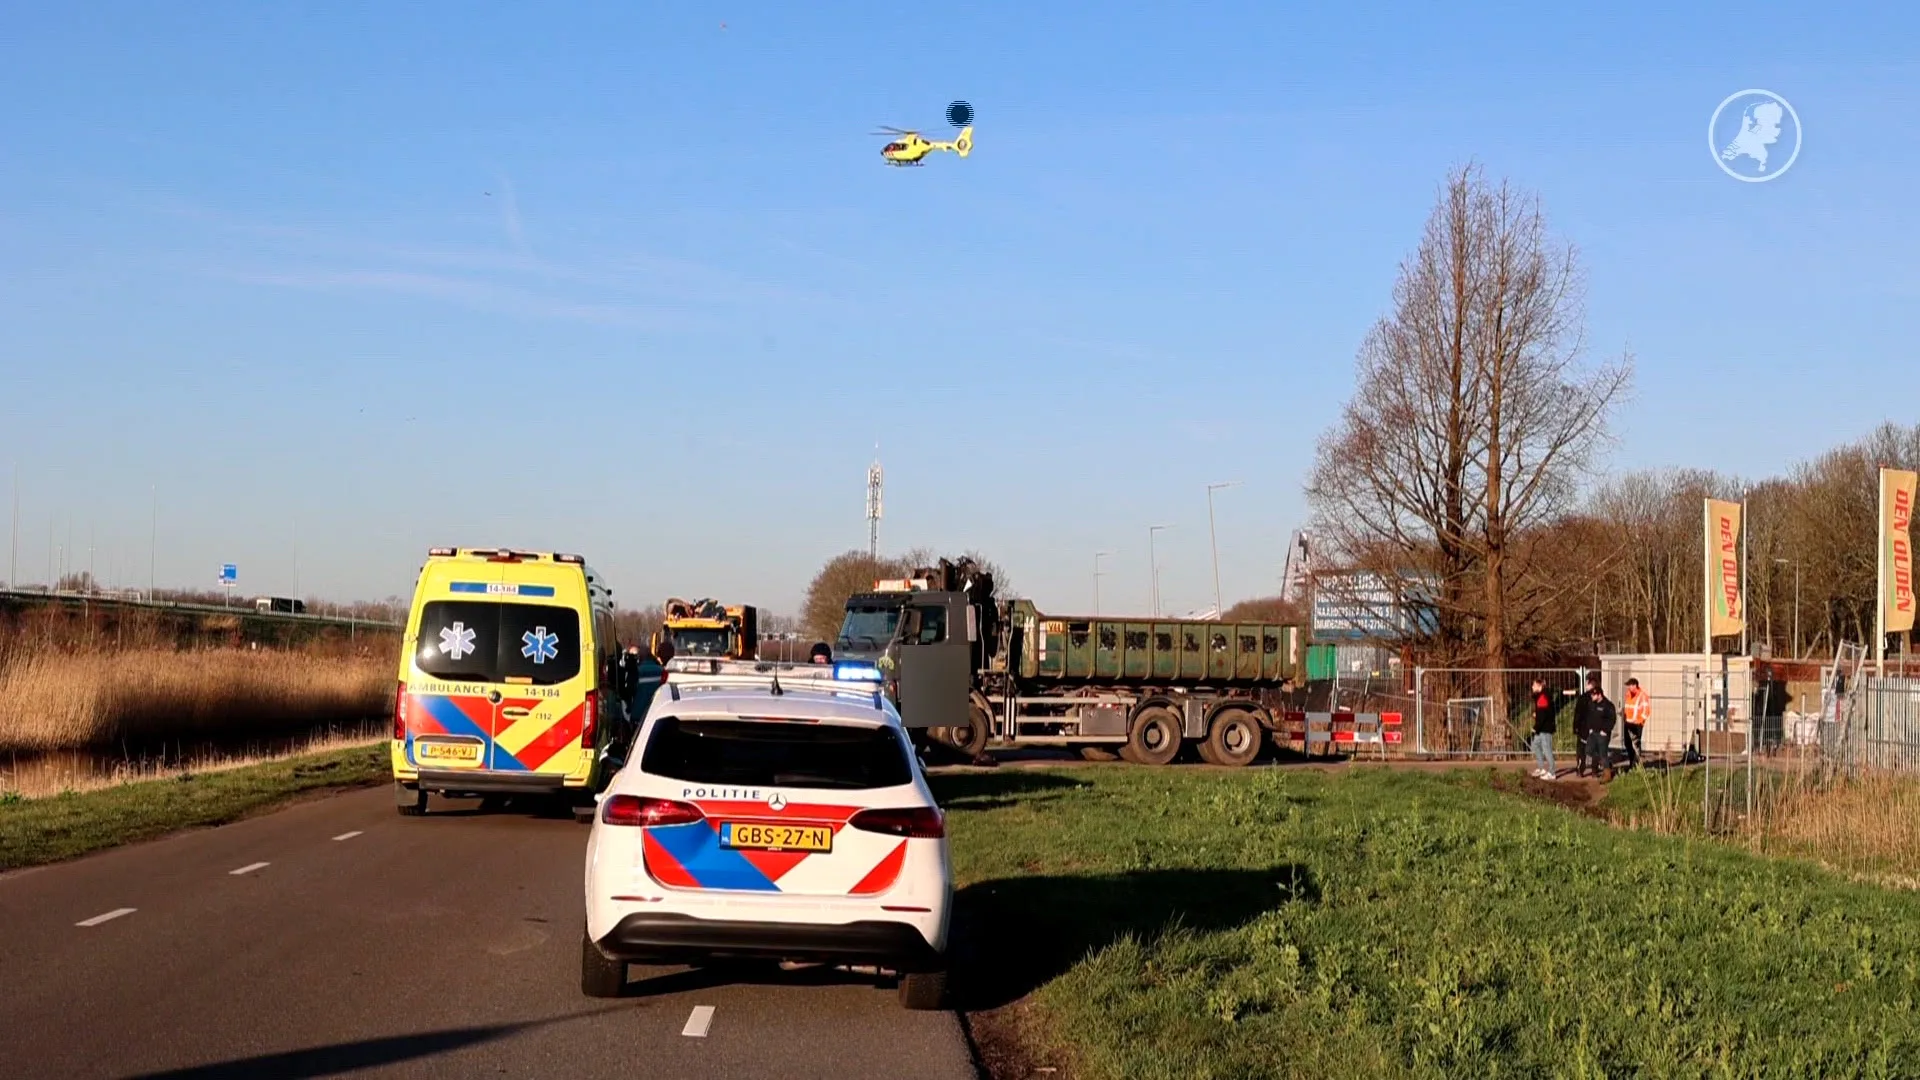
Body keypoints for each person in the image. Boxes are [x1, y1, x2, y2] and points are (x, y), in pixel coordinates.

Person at [1581, 680, 1618, 781]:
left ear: (1599, 695)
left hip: (1603, 734)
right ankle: (1604, 764)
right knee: (1588, 750)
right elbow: (1589, 717)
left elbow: (1612, 719)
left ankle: (1607, 775)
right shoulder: (1592, 704)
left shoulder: (1608, 705)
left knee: (1603, 753)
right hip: (1593, 733)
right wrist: (1590, 728)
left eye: (1593, 695)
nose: (1592, 697)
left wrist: (1605, 730)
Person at [1529, 678, 1557, 780]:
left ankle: (1552, 772)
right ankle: (1541, 768)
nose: (1532, 687)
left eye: (1534, 685)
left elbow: (1543, 715)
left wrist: (1536, 727)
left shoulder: (1543, 697)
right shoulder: (1539, 697)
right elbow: (1542, 712)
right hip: (1542, 728)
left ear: (1539, 686)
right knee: (1535, 745)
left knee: (1547, 749)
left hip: (1545, 728)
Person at [1621, 677, 1650, 771]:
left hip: (1637, 724)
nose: (1629, 687)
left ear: (1635, 685)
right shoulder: (1628, 695)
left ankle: (1636, 765)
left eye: (1630, 685)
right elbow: (1627, 708)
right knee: (1627, 743)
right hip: (1628, 723)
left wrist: (1640, 721)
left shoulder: (1642, 696)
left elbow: (1646, 711)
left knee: (1636, 745)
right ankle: (1632, 763)